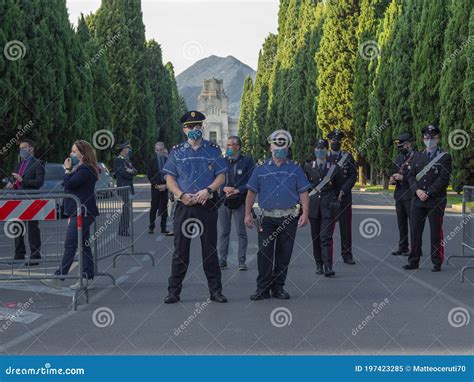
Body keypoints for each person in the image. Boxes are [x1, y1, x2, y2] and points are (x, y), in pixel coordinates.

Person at [162, 110, 227, 304]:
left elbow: (221, 175)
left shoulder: (213, 150)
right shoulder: (177, 151)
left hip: (206, 205)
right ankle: (174, 291)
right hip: (185, 206)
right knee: (180, 250)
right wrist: (180, 195)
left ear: (202, 127)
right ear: (184, 130)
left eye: (197, 126)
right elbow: (169, 178)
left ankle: (215, 291)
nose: (194, 129)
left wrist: (208, 190)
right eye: (190, 127)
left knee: (210, 250)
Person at [245, 130, 310, 300]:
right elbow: (251, 193)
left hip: (289, 218)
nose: (279, 149)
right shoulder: (260, 169)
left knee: (284, 253)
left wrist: (306, 213)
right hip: (266, 218)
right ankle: (263, 288)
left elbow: (303, 192)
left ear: (287, 148)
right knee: (264, 253)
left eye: (283, 145)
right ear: (270, 147)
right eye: (276, 145)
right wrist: (247, 214)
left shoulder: (295, 168)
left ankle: (278, 287)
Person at [42, 140, 99, 289]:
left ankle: (59, 278)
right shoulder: (80, 168)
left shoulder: (86, 169)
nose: (71, 154)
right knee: (83, 244)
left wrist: (67, 170)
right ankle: (88, 277)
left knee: (70, 244)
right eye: (71, 151)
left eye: (74, 151)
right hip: (78, 213)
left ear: (83, 153)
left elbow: (69, 184)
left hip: (84, 212)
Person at [404, 125, 452, 272]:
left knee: (435, 232)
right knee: (415, 231)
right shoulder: (417, 156)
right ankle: (413, 261)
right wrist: (417, 190)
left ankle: (436, 261)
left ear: (437, 139)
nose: (429, 140)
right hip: (418, 199)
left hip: (435, 200)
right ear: (423, 139)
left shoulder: (444, 157)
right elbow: (411, 175)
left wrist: (429, 193)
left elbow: (444, 178)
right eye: (426, 138)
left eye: (432, 138)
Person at [304, 139, 344, 277]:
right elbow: (306, 188)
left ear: (327, 150)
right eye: (317, 147)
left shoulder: (334, 168)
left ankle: (328, 266)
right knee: (315, 237)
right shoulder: (308, 167)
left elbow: (339, 187)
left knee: (326, 237)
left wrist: (336, 201)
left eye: (322, 148)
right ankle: (319, 264)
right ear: (314, 150)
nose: (319, 150)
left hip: (328, 206)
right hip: (314, 206)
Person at [5, 139, 45, 266]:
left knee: (32, 228)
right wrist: (11, 184)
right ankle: (19, 255)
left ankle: (35, 256)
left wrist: (23, 181)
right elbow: (15, 180)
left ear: (31, 149)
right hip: (18, 200)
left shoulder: (38, 163)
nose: (22, 150)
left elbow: (39, 182)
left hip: (31, 200)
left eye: (24, 147)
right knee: (17, 227)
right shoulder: (19, 164)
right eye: (20, 148)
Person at [218, 136, 255, 271]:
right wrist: (223, 188)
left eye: (232, 145)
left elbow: (252, 182)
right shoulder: (221, 162)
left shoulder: (247, 161)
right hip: (224, 201)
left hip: (240, 201)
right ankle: (222, 260)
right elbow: (216, 179)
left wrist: (238, 190)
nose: (229, 147)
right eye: (227, 145)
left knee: (241, 232)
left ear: (238, 147)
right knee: (224, 232)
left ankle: (241, 261)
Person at [327, 129, 357, 265]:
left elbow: (353, 176)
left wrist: (344, 190)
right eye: (333, 141)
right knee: (327, 229)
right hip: (329, 199)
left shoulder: (347, 157)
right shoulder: (325, 157)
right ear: (329, 141)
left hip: (344, 198)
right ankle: (326, 257)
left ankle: (347, 254)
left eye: (338, 141)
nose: (336, 143)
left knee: (346, 228)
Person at [390, 132, 416, 257]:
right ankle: (403, 246)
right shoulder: (399, 157)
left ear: (409, 144)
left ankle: (415, 248)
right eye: (399, 147)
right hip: (399, 194)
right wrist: (393, 179)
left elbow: (418, 177)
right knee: (401, 223)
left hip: (410, 194)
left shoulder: (417, 157)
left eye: (402, 146)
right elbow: (395, 171)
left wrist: (403, 178)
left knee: (413, 223)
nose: (401, 149)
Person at [147, 142, 172, 235]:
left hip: (165, 187)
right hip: (155, 187)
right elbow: (149, 175)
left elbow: (171, 174)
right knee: (154, 207)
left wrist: (166, 185)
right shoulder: (152, 161)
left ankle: (163, 227)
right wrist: (156, 185)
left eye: (161, 150)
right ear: (155, 150)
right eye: (157, 150)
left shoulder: (168, 160)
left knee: (164, 207)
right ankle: (151, 226)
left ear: (164, 149)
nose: (159, 152)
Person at [113, 141, 137, 236]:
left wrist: (131, 171)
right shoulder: (119, 160)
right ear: (123, 149)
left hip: (129, 187)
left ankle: (124, 229)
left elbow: (135, 171)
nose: (129, 150)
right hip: (123, 187)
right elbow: (124, 173)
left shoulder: (126, 160)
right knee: (126, 209)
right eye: (127, 148)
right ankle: (122, 230)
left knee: (127, 209)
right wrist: (131, 172)